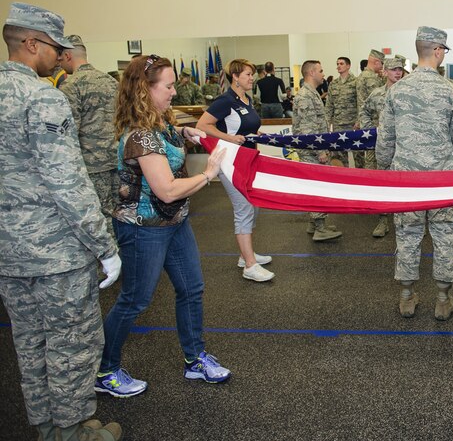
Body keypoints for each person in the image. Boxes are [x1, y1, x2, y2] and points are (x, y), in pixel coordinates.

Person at [0, 2, 122, 441]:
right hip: (56, 251)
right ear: (31, 44)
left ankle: (47, 426)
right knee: (71, 344)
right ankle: (72, 432)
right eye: (54, 46)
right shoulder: (43, 97)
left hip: (8, 254)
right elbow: (67, 181)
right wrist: (104, 247)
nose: (59, 55)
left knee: (29, 345)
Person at [96, 54, 231, 399]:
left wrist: (184, 131)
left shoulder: (160, 123)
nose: (174, 91)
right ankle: (105, 369)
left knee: (192, 289)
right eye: (168, 86)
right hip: (143, 229)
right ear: (145, 89)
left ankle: (194, 358)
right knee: (135, 300)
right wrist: (208, 174)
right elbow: (167, 189)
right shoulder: (140, 136)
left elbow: (175, 135)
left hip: (174, 222)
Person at [376, 27, 453, 321]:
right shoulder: (450, 90)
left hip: (406, 180)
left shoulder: (397, 90)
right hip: (442, 180)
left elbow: (385, 139)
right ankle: (443, 300)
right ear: (438, 51)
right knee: (445, 238)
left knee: (407, 236)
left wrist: (384, 170)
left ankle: (407, 296)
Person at [196, 58, 274, 282]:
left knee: (254, 206)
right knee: (244, 208)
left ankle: (245, 254)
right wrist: (228, 137)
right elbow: (202, 125)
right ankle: (249, 266)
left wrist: (258, 135)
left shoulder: (247, 99)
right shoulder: (224, 100)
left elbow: (248, 126)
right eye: (248, 75)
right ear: (235, 77)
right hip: (229, 161)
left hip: (247, 159)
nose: (252, 78)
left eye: (252, 74)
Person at [58, 34, 121, 241]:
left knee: (99, 216)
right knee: (119, 213)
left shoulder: (71, 86)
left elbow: (68, 133)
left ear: (67, 55)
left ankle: (110, 265)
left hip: (92, 166)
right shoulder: (111, 81)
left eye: (60, 57)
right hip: (117, 159)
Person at [293, 60, 342, 242]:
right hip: (312, 150)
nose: (323, 74)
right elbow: (308, 129)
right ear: (312, 72)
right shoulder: (306, 96)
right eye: (321, 71)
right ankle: (320, 229)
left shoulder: (311, 93)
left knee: (315, 185)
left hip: (313, 149)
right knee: (316, 186)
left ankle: (314, 223)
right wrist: (320, 151)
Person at [359, 55, 406, 238]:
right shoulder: (377, 94)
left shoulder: (408, 92)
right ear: (385, 72)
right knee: (382, 182)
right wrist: (369, 131)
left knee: (405, 182)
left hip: (404, 146)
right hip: (383, 146)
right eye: (393, 69)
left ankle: (409, 220)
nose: (397, 73)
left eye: (400, 69)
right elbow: (364, 110)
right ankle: (383, 221)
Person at [355, 49, 386, 168]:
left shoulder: (363, 75)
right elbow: (377, 102)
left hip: (366, 121)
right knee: (373, 157)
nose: (382, 67)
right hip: (373, 122)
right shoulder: (370, 78)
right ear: (377, 62)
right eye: (382, 64)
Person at [326, 56, 358, 167]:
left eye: (341, 63)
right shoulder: (333, 84)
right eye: (337, 64)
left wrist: (359, 121)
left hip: (353, 125)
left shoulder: (356, 82)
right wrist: (327, 122)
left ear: (348, 66)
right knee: (339, 157)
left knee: (358, 156)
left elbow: (361, 103)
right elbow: (329, 105)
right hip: (338, 125)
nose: (338, 66)